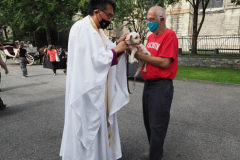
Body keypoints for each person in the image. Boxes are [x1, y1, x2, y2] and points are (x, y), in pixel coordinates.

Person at [60, 0, 130, 160]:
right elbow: (91, 62)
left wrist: (118, 44)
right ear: (97, 12)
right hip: (86, 92)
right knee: (87, 126)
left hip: (97, 89)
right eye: (109, 15)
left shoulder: (97, 30)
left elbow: (104, 51)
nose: (110, 19)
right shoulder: (83, 28)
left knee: (99, 126)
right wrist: (116, 50)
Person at [135, 6, 178, 160]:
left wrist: (142, 56)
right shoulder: (152, 37)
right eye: (148, 20)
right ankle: (154, 151)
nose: (149, 23)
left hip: (161, 86)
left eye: (151, 20)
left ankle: (155, 156)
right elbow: (147, 56)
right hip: (149, 85)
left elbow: (165, 62)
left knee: (157, 124)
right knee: (148, 121)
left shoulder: (169, 35)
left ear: (162, 19)